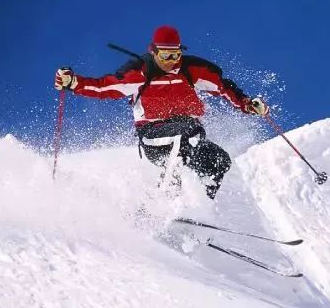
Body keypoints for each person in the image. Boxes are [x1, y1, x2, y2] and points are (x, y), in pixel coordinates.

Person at [54, 25, 268, 199]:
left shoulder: (191, 71)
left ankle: (200, 210)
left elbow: (223, 87)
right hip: (153, 136)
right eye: (165, 56)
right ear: (153, 52)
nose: (171, 61)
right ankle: (166, 199)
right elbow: (102, 87)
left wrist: (247, 104)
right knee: (187, 132)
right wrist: (73, 82)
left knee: (219, 161)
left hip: (190, 136)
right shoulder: (138, 74)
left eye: (176, 55)